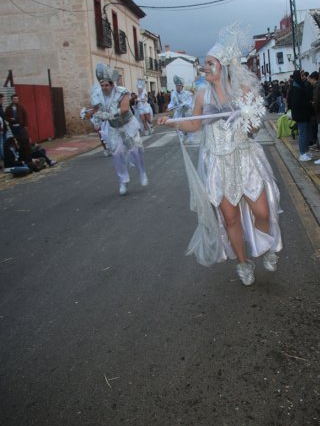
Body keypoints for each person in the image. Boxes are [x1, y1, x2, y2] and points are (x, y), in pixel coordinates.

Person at [158, 26, 282, 287]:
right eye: (205, 63)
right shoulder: (202, 93)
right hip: (217, 162)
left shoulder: (243, 90)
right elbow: (194, 125)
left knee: (263, 212)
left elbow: (255, 128)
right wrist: (172, 123)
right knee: (230, 218)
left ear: (224, 65)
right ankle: (242, 263)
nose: (206, 67)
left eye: (210, 62)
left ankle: (268, 246)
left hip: (245, 159)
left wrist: (248, 121)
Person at [85, 64, 148, 195]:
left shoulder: (122, 91)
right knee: (117, 153)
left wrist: (109, 114)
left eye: (106, 85)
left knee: (136, 150)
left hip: (127, 124)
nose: (104, 88)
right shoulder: (97, 95)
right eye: (102, 85)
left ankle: (142, 172)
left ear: (112, 84)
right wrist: (90, 114)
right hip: (114, 127)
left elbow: (125, 109)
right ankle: (123, 181)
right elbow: (96, 110)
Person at [289, 70, 313, 162]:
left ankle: (305, 151)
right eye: (302, 75)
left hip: (304, 114)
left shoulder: (299, 85)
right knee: (303, 134)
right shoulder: (296, 87)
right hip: (301, 114)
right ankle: (302, 153)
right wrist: (308, 103)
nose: (304, 77)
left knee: (305, 133)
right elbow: (296, 103)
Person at [167, 75, 194, 143]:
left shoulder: (187, 94)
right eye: (176, 86)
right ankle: (181, 136)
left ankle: (190, 138)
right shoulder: (173, 94)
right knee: (177, 124)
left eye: (179, 86)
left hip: (186, 111)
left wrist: (184, 104)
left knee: (189, 124)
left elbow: (189, 103)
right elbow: (172, 103)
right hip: (178, 112)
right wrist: (169, 107)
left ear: (182, 86)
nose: (177, 87)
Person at [5, 94, 31, 161]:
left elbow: (25, 116)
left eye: (17, 99)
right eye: (14, 99)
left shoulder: (21, 107)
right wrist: (10, 119)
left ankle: (26, 156)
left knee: (24, 140)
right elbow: (5, 117)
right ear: (12, 100)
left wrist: (25, 125)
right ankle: (21, 156)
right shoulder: (8, 108)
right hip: (13, 127)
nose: (16, 100)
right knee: (18, 141)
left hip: (21, 126)